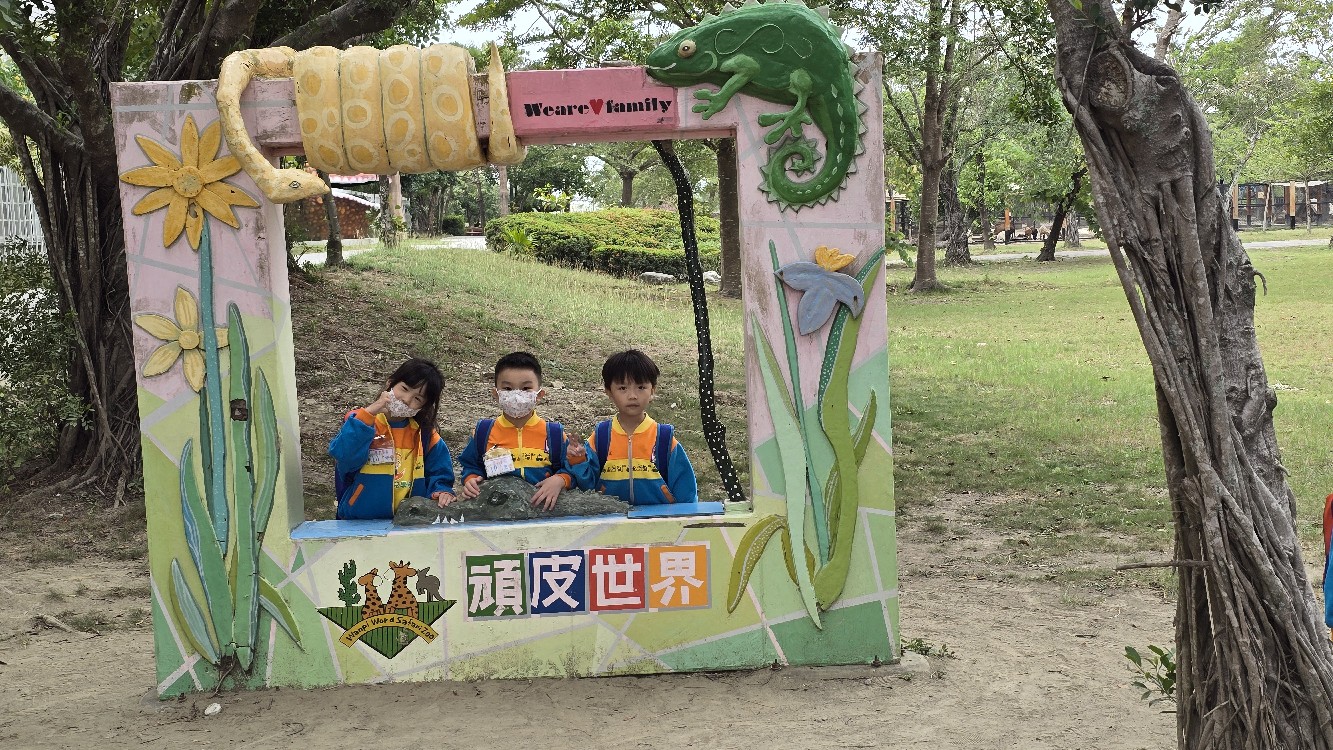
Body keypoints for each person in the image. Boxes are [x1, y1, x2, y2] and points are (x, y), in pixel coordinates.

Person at [329, 358, 456, 520]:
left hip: (409, 523)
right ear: (390, 384)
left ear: (423, 407)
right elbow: (344, 457)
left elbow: (440, 473)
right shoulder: (360, 422)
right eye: (404, 389)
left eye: (417, 399)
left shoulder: (425, 435)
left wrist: (442, 490)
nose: (406, 399)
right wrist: (369, 414)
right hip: (358, 521)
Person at [455, 352, 581, 511]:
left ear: (539, 395)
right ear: (496, 394)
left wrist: (561, 480)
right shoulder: (483, 432)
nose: (516, 395)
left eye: (526, 388)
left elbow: (572, 471)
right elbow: (470, 465)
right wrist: (471, 479)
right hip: (495, 513)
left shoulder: (554, 434)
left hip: (542, 513)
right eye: (507, 388)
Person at [570, 350, 697, 505]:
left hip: (659, 517)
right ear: (609, 392)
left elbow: (686, 491)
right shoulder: (601, 437)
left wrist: (686, 516)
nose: (632, 396)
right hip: (612, 517)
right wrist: (579, 461)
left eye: (641, 387)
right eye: (623, 388)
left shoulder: (664, 439)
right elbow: (587, 485)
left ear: (652, 390)